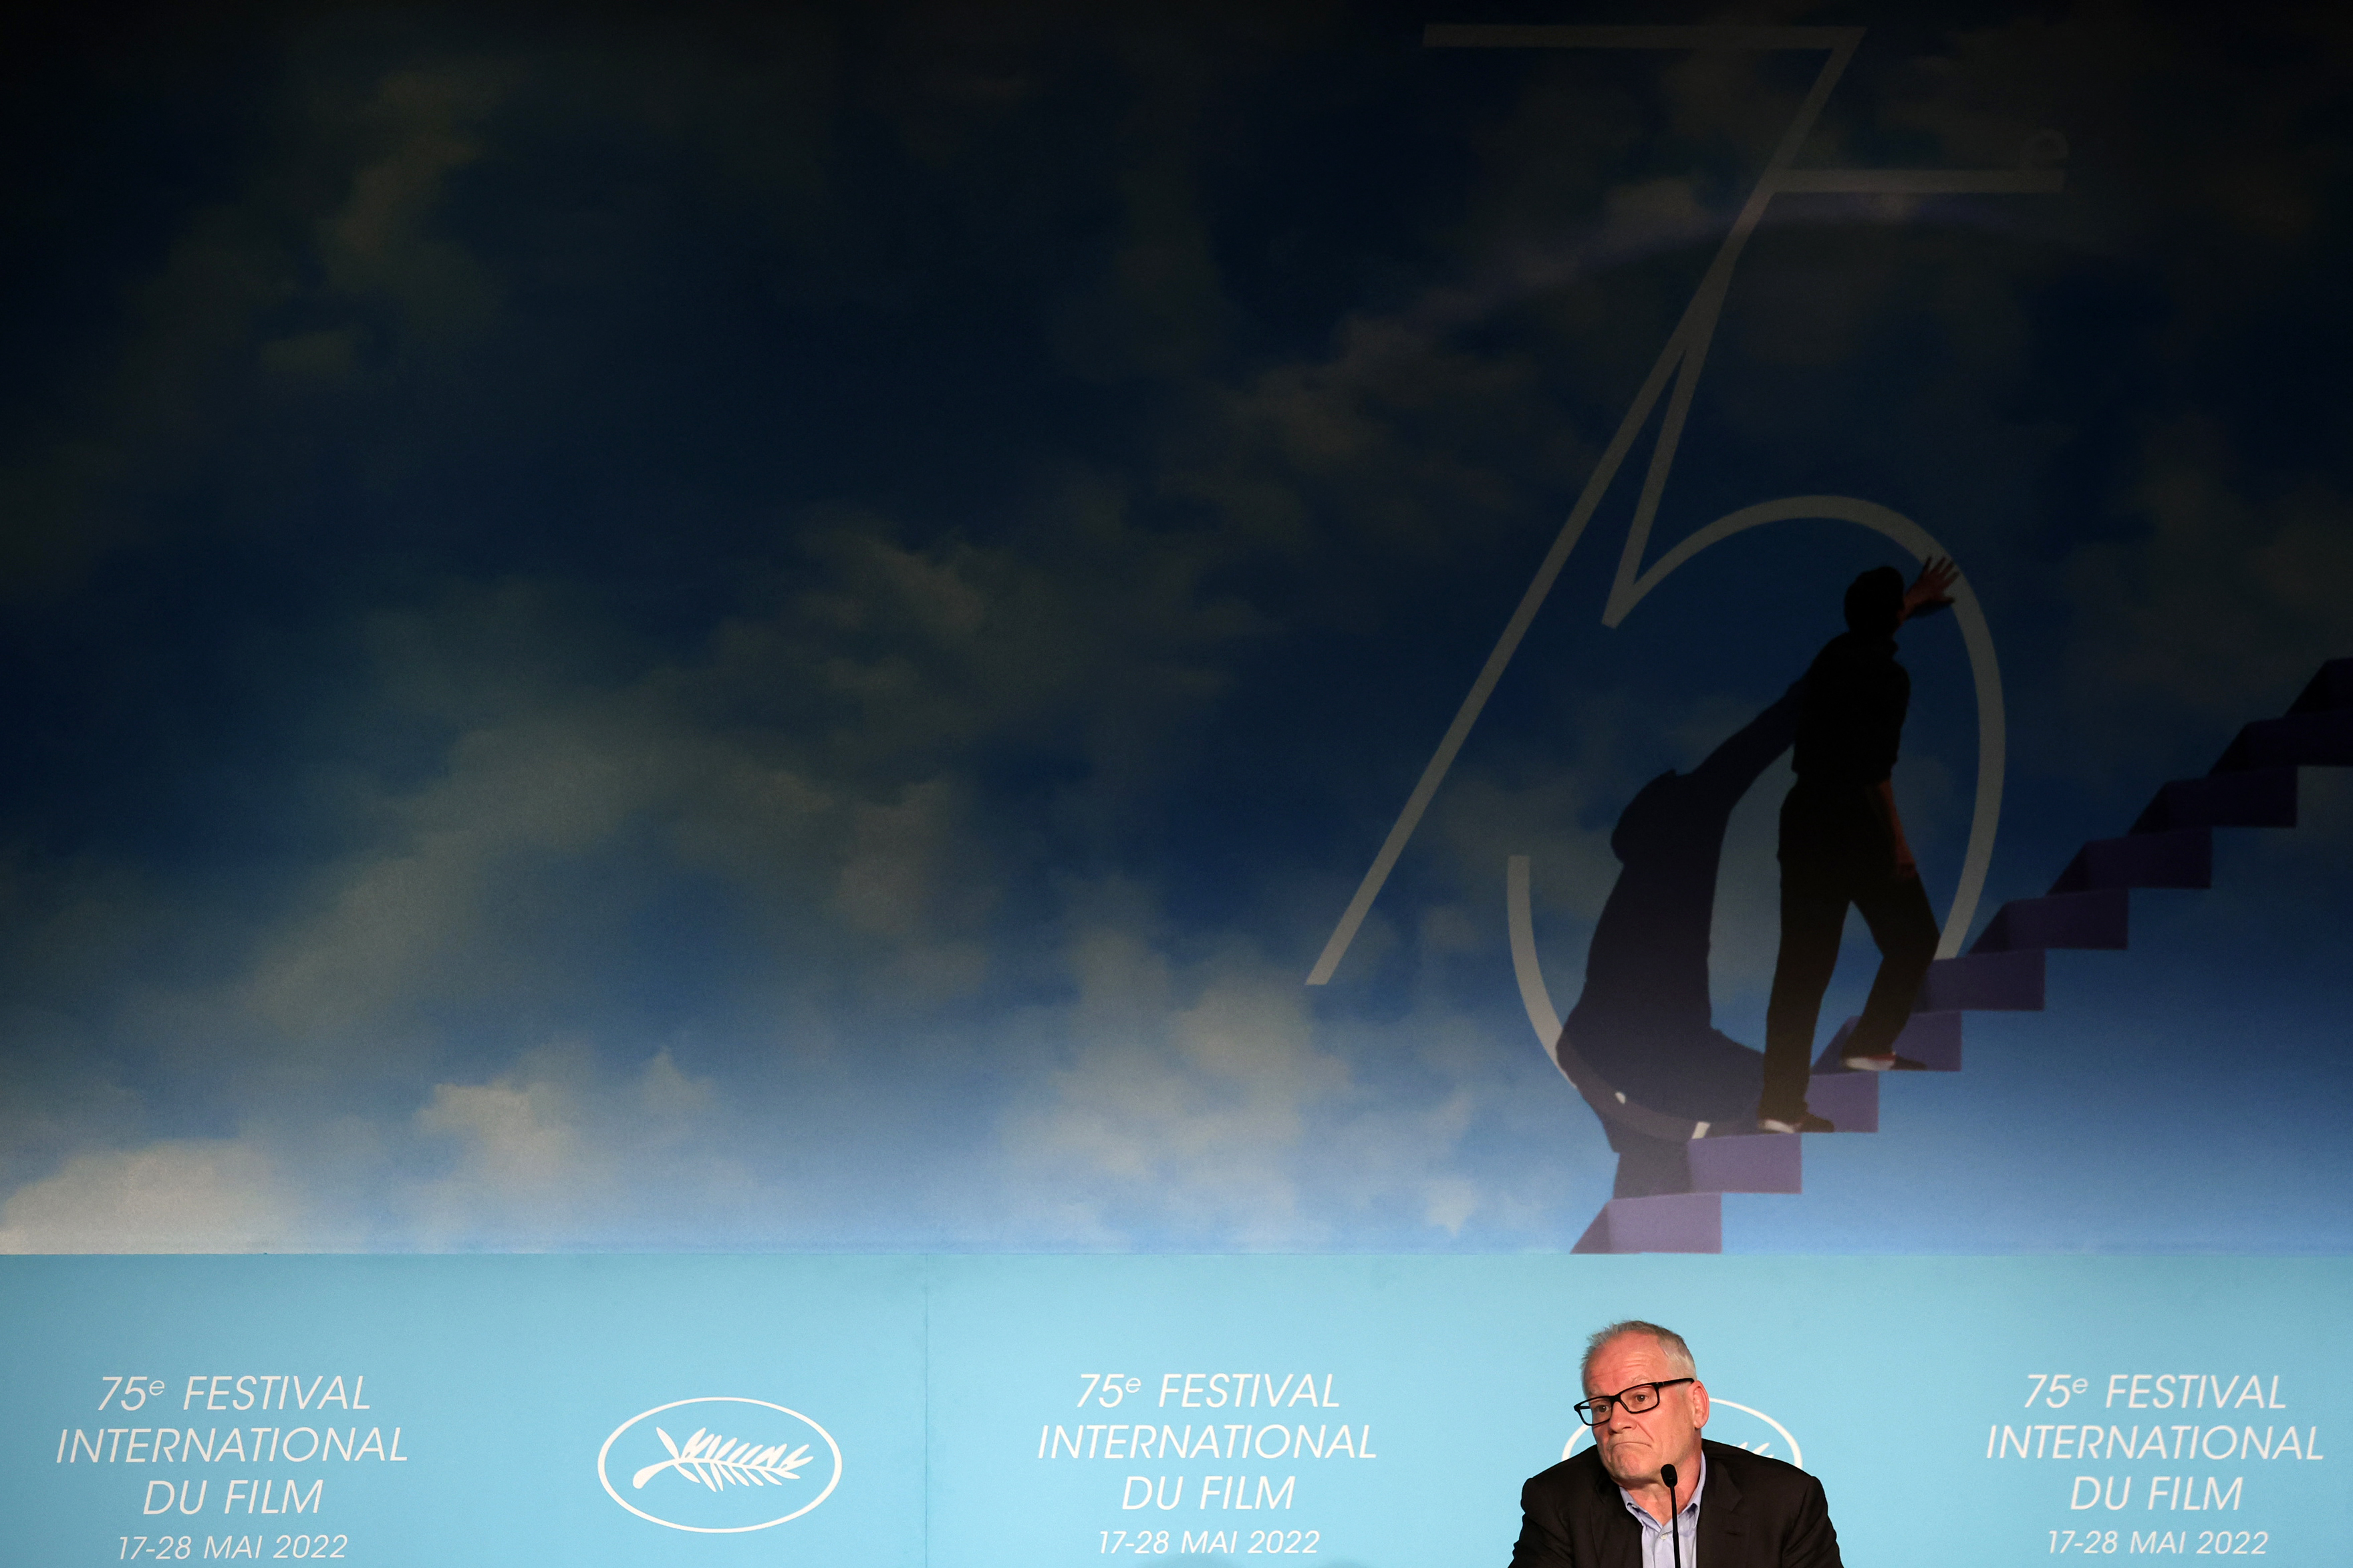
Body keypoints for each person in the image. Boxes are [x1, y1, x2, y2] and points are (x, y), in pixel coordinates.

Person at [1756, 559, 1956, 1134]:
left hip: (1803, 818)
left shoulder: (1832, 654)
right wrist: (1897, 841)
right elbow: (1876, 770)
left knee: (1800, 970)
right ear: (1890, 615)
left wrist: (1911, 600)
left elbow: (1870, 628)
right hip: (1855, 820)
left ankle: (1778, 1105)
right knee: (1914, 936)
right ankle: (1869, 1042)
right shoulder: (1890, 679)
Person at [1509, 1321, 1842, 1567]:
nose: (1616, 1422)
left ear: (1696, 1405)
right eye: (1601, 1406)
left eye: (1639, 1397)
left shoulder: (1785, 1501)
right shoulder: (1557, 1501)